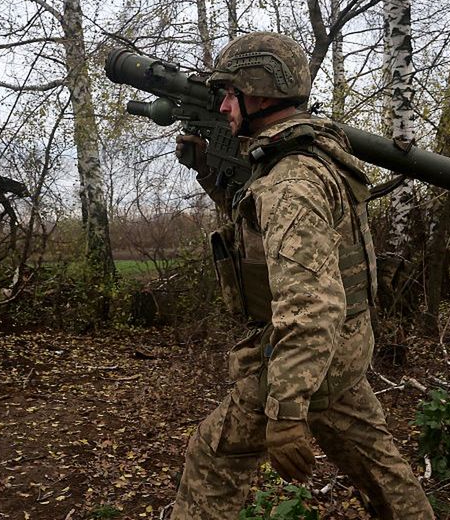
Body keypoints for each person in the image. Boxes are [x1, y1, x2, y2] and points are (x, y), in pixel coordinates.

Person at [170, 31, 434, 519]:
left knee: (212, 460)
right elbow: (257, 229)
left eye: (231, 93)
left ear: (260, 94)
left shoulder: (291, 182)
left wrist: (286, 413)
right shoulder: (309, 154)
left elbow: (310, 305)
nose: (223, 106)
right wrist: (208, 172)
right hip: (340, 351)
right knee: (381, 472)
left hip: (309, 359)